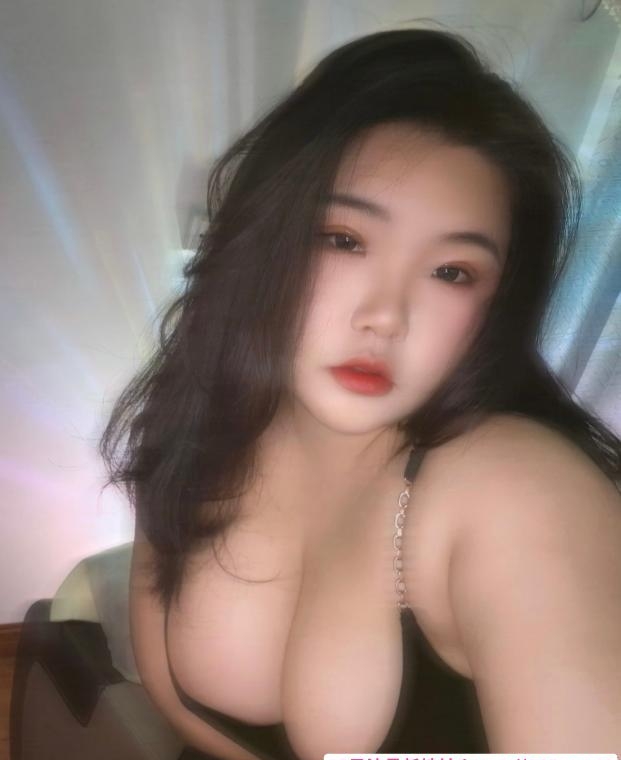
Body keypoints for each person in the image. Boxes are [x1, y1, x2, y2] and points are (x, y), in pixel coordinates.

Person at [100, 28, 621, 759]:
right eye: (343, 239)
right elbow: (185, 712)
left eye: (452, 272)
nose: (386, 316)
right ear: (265, 236)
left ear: (495, 305)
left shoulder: (515, 490)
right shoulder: (197, 430)